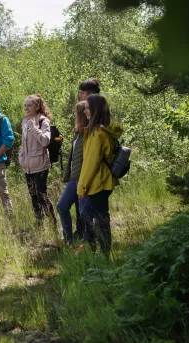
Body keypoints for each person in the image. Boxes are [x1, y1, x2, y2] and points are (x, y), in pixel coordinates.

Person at [77, 94, 122, 257]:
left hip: (99, 182)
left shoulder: (97, 133)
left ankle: (98, 251)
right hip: (104, 181)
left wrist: (82, 188)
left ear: (96, 110)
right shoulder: (103, 130)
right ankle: (98, 251)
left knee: (95, 217)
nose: (85, 111)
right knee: (94, 215)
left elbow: (90, 164)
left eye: (88, 108)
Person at [18, 94, 57, 227]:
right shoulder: (24, 121)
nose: (26, 108)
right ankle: (39, 222)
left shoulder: (43, 121)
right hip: (27, 165)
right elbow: (24, 143)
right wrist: (21, 156)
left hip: (40, 164)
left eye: (29, 105)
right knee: (33, 195)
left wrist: (34, 128)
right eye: (25, 105)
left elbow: (45, 141)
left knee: (41, 194)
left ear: (37, 106)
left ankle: (53, 223)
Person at [57, 101, 88, 244]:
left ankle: (87, 243)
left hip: (83, 178)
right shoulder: (78, 133)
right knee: (62, 206)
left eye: (76, 113)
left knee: (84, 213)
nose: (74, 115)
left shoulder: (88, 134)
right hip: (74, 178)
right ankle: (68, 240)